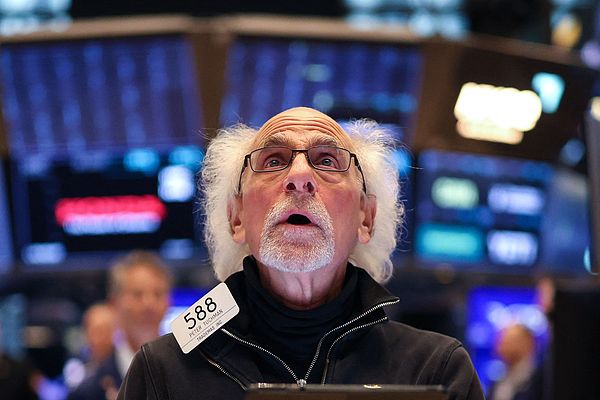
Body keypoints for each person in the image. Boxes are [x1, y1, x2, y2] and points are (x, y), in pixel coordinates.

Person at [118, 107, 484, 400]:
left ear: (366, 218)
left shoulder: (435, 371)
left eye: (327, 161)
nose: (299, 176)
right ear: (236, 217)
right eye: (273, 161)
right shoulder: (164, 372)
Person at [69, 250, 172, 400]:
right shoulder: (88, 392)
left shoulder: (188, 372)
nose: (149, 304)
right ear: (114, 303)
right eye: (137, 294)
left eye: (158, 294)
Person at [489, 324, 537, 400]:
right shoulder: (499, 377)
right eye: (501, 340)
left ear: (528, 343)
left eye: (509, 341)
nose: (501, 345)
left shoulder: (537, 377)